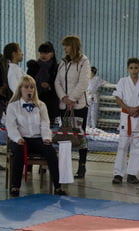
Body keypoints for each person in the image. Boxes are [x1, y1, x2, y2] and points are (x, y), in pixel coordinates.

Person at [5, 75, 66, 196]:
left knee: (51, 152)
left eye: (32, 87)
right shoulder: (13, 106)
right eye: (26, 87)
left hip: (38, 139)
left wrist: (46, 138)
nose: (29, 90)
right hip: (21, 139)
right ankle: (15, 186)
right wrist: (18, 138)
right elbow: (11, 126)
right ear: (20, 89)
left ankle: (58, 187)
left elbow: (45, 123)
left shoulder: (41, 105)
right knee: (18, 152)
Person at [54, 35, 91, 179]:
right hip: (64, 106)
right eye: (64, 46)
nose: (65, 48)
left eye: (67, 45)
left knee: (79, 136)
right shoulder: (63, 63)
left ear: (74, 46)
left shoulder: (84, 62)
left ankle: (82, 165)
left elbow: (83, 82)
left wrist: (72, 99)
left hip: (79, 106)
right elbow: (57, 82)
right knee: (65, 135)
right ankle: (64, 166)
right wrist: (64, 97)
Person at [112, 58, 139, 185]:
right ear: (127, 69)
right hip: (126, 116)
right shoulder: (123, 81)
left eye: (136, 68)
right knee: (122, 145)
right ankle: (118, 174)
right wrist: (128, 108)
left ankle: (132, 174)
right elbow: (117, 98)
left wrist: (138, 108)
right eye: (131, 68)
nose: (134, 70)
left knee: (138, 146)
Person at [26, 42, 59, 125]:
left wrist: (49, 85)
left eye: (46, 53)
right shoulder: (33, 67)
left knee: (50, 126)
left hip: (51, 102)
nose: (43, 55)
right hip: (36, 99)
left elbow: (59, 84)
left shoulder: (56, 68)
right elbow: (27, 82)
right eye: (41, 53)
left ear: (51, 54)